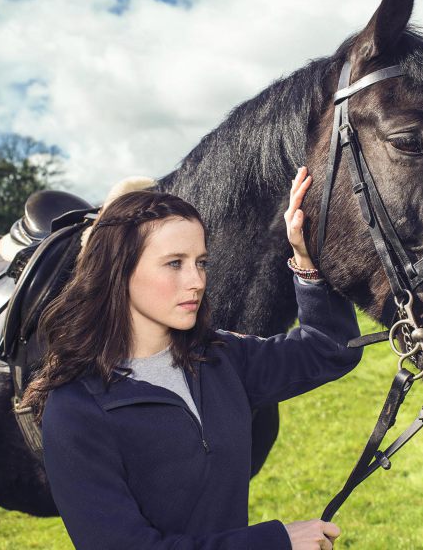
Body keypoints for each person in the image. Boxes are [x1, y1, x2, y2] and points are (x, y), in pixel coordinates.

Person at [21, 166, 363, 549]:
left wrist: (304, 256)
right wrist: (274, 542)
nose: (197, 281)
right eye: (174, 263)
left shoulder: (220, 358)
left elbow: (330, 349)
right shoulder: (76, 408)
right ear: (119, 271)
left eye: (201, 262)